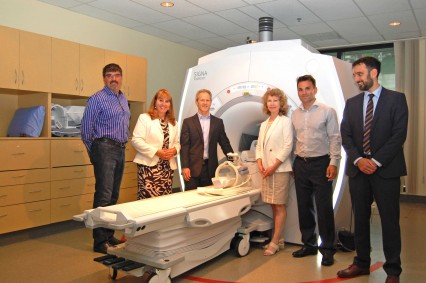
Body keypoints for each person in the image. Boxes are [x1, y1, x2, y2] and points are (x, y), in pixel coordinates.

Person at [338, 57, 408, 283]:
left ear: (374, 72)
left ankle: (393, 271)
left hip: (386, 170)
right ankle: (361, 263)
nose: (356, 79)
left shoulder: (396, 100)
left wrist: (375, 161)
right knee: (360, 219)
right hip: (359, 170)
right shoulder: (352, 103)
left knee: (389, 221)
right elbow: (346, 135)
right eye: (354, 75)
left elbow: (399, 135)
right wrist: (359, 159)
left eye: (359, 74)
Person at [291, 74, 341, 266]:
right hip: (301, 164)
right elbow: (294, 140)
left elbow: (335, 138)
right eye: (301, 89)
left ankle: (327, 249)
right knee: (304, 207)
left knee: (324, 208)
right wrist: (293, 164)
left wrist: (333, 162)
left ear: (315, 90)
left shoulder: (327, 111)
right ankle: (309, 245)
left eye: (307, 88)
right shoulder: (294, 114)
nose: (304, 93)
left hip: (321, 164)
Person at [81, 63, 130, 254]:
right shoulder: (97, 99)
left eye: (117, 75)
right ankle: (99, 241)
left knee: (113, 195)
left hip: (120, 149)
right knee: (103, 194)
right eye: (109, 75)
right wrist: (95, 154)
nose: (113, 79)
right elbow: (86, 131)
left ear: (121, 77)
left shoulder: (123, 98)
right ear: (104, 78)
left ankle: (109, 235)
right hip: (104, 147)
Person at [255, 88, 293, 256]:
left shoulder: (285, 121)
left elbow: (287, 146)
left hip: (279, 170)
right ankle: (280, 238)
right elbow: (258, 146)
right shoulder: (263, 124)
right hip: (266, 170)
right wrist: (259, 162)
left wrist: (273, 166)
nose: (272, 103)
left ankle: (274, 242)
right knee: (272, 204)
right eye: (269, 100)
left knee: (279, 205)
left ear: (281, 103)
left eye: (275, 100)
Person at [180, 89, 233, 190]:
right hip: (192, 170)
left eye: (207, 100)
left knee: (209, 201)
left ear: (210, 102)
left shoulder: (218, 122)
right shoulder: (188, 122)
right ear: (197, 102)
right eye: (202, 100)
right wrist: (185, 167)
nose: (205, 103)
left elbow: (225, 143)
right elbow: (185, 146)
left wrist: (234, 160)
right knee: (192, 201)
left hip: (211, 169)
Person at [132, 89, 180, 199]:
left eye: (167, 101)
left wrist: (175, 150)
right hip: (148, 168)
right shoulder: (145, 118)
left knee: (164, 202)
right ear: (155, 102)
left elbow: (177, 143)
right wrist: (157, 152)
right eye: (161, 100)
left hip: (167, 168)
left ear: (170, 105)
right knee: (148, 202)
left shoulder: (174, 123)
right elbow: (136, 140)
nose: (164, 104)